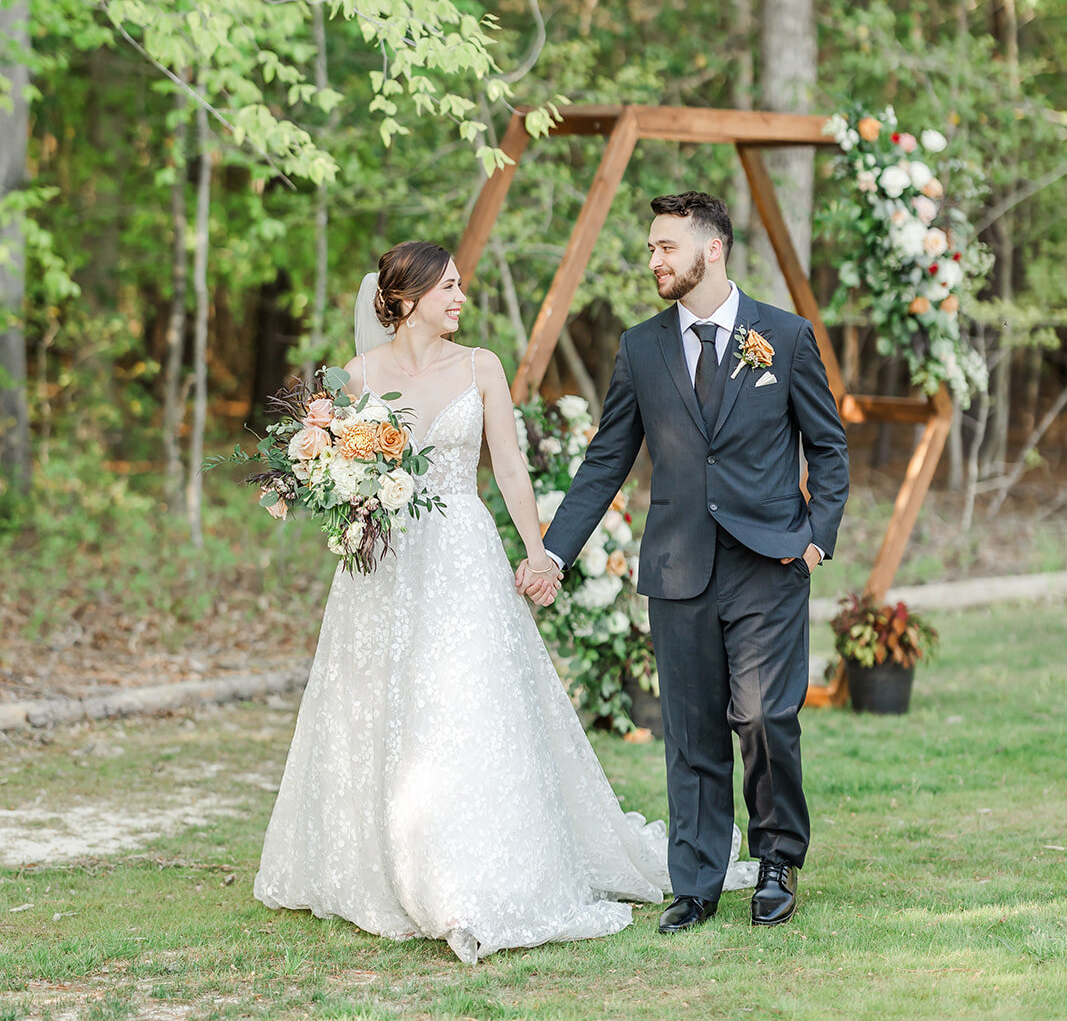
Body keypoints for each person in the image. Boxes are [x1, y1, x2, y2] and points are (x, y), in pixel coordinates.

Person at [254, 240, 751, 965]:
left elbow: (509, 469)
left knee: (470, 706)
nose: (460, 298)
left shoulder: (480, 368)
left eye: (460, 286)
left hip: (460, 554)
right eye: (448, 288)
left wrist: (540, 553)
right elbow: (344, 473)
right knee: (380, 705)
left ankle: (470, 873)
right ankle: (386, 861)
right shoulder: (357, 377)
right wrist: (343, 496)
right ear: (407, 298)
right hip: (384, 561)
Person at [522, 193, 850, 931]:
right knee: (691, 730)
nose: (653, 261)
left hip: (769, 560)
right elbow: (607, 459)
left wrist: (816, 535)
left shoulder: (785, 336)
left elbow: (827, 448)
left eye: (665, 247)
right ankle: (695, 882)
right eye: (650, 248)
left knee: (765, 716)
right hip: (677, 567)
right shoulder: (640, 347)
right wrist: (554, 552)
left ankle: (775, 859)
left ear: (712, 249)